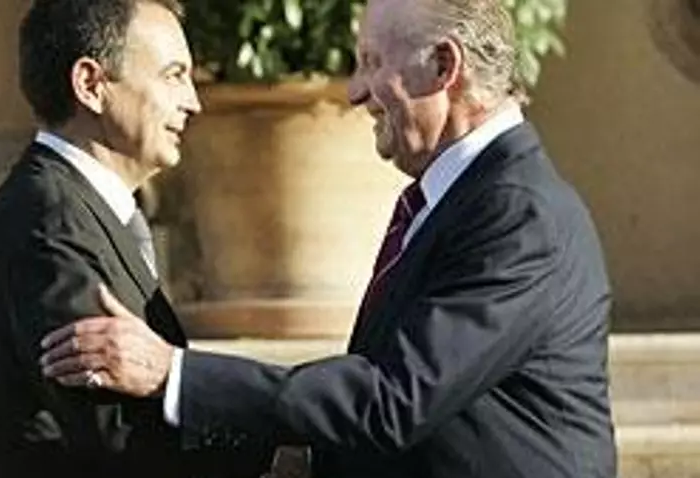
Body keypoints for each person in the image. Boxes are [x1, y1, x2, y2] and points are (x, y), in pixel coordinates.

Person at [38, 0, 618, 477]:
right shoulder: (464, 198)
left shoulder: (518, 213)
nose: (355, 92)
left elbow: (393, 398)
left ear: (444, 66)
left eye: (371, 62)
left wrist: (174, 374)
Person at [0, 1, 273, 477]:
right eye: (173, 76)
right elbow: (125, 438)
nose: (193, 102)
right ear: (91, 85)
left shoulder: (73, 211)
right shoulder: (49, 227)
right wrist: (281, 449)